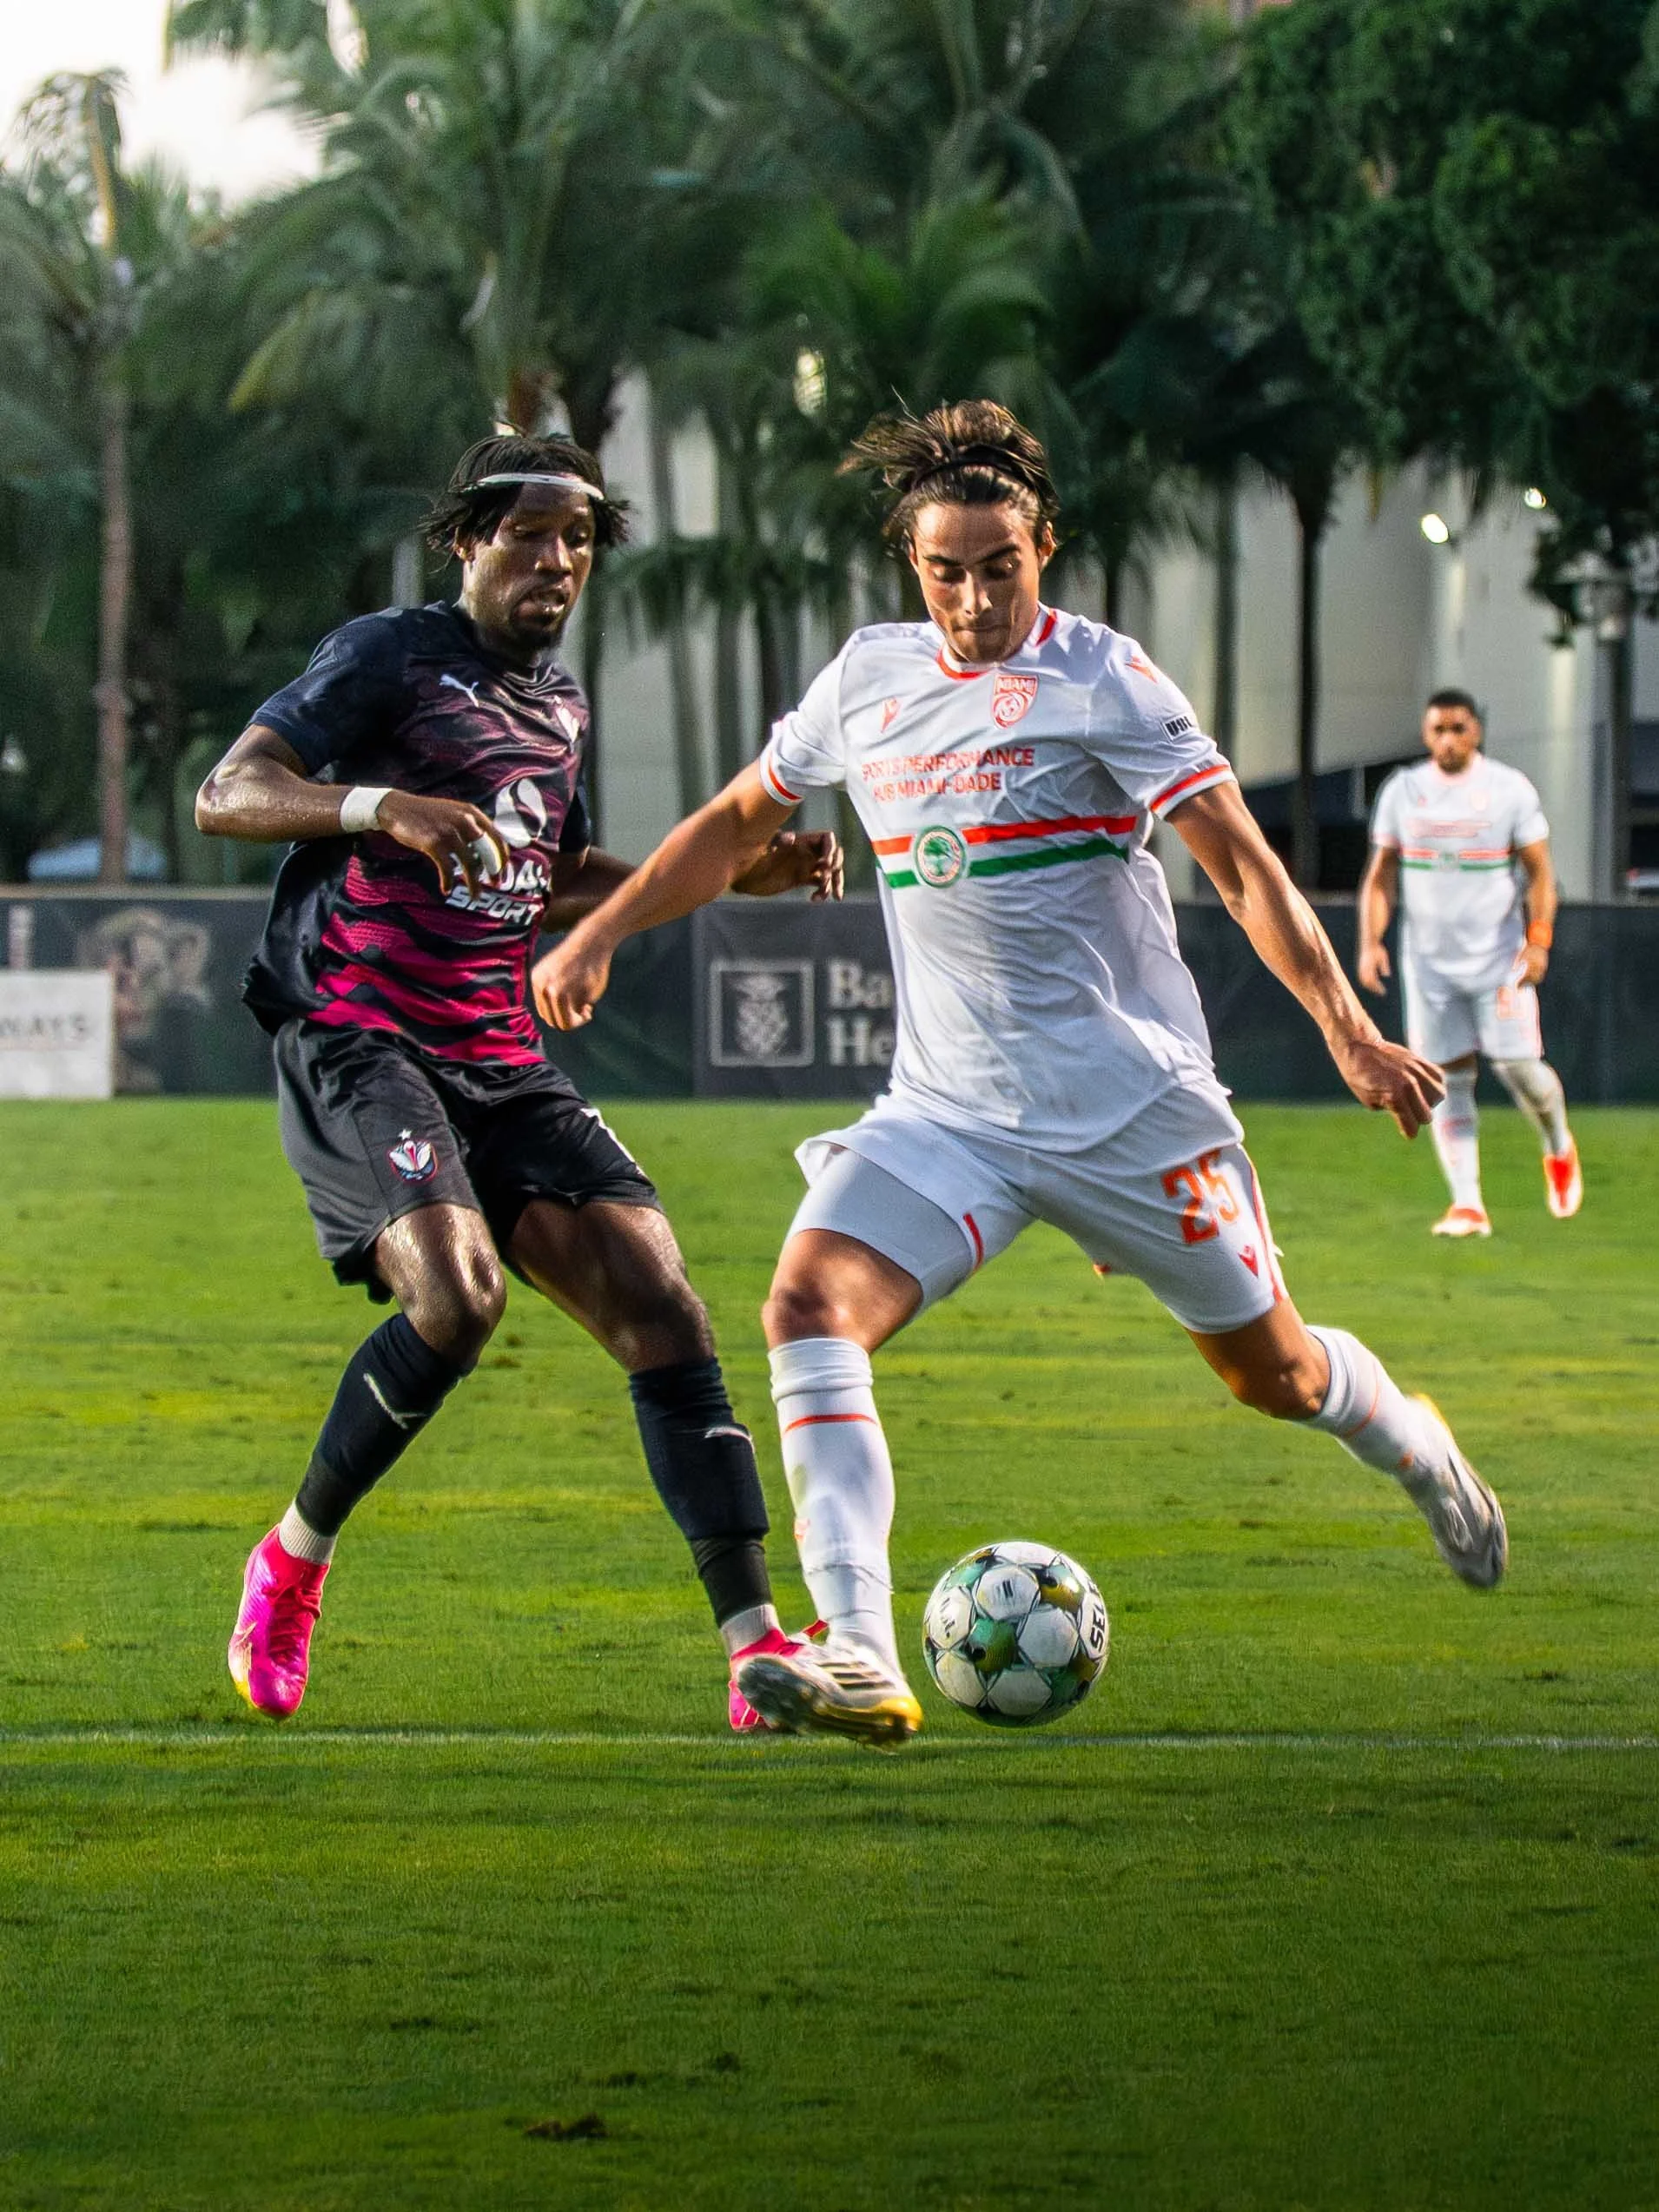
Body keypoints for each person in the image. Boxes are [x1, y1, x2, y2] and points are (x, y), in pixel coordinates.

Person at [537, 400, 1509, 1748]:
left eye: (1001, 565)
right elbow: (733, 821)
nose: (975, 595)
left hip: (1130, 1110)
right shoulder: (866, 681)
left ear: (1043, 548)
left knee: (1271, 1375)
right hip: (949, 1113)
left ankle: (1409, 1437)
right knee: (806, 1302)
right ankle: (860, 1649)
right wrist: (598, 926)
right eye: (946, 568)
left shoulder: (1105, 679)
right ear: (910, 562)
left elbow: (1238, 863)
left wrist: (1346, 1027)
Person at [195, 432, 841, 1727]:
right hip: (358, 1034)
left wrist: (730, 871)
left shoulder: (558, 706)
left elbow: (549, 876)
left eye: (577, 540)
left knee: (664, 1305)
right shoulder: (389, 654)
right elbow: (231, 790)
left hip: (496, 1051)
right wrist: (383, 806)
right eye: (528, 533)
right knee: (458, 1295)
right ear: (468, 543)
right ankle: (291, 1561)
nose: (554, 559)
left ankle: (755, 1651)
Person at [1358, 690, 1581, 1237]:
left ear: (1476, 731)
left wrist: (1539, 941)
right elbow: (1381, 875)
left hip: (1498, 963)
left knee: (1519, 1070)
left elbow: (1541, 874)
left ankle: (1557, 1141)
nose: (1447, 739)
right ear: (1426, 733)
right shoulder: (1404, 791)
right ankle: (1467, 1204)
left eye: (1458, 728)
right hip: (1429, 964)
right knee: (1447, 1079)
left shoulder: (1508, 790)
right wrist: (1371, 941)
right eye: (1437, 730)